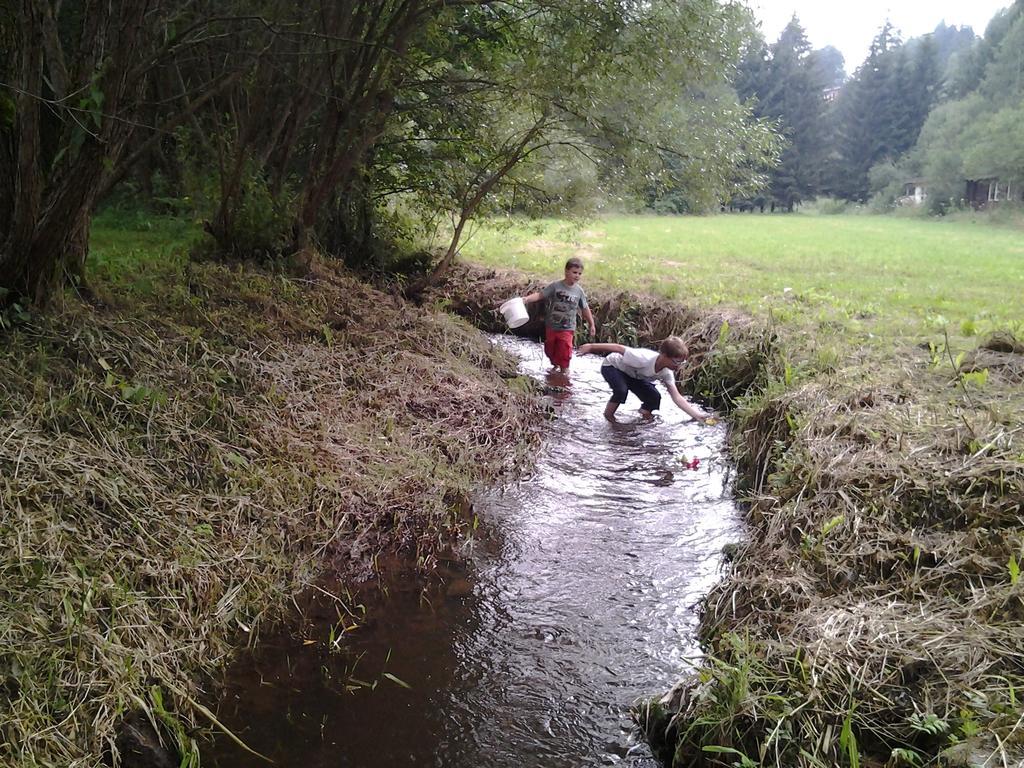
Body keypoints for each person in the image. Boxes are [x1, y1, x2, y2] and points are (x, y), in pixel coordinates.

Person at [577, 337, 710, 423]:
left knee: (654, 396)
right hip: (613, 366)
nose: (678, 366)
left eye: (682, 362)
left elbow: (677, 397)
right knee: (621, 391)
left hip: (634, 375)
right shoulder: (642, 358)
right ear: (664, 356)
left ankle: (644, 417)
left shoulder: (667, 372)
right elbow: (618, 348)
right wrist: (591, 346)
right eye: (676, 361)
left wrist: (697, 415)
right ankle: (609, 418)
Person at [520, 257, 596, 372]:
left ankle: (565, 371)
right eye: (574, 272)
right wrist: (526, 299)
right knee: (550, 349)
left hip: (567, 327)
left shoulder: (578, 291)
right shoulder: (556, 286)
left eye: (580, 274)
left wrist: (592, 324)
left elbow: (585, 308)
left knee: (565, 350)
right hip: (552, 325)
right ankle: (555, 366)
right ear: (566, 271)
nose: (577, 276)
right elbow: (541, 295)